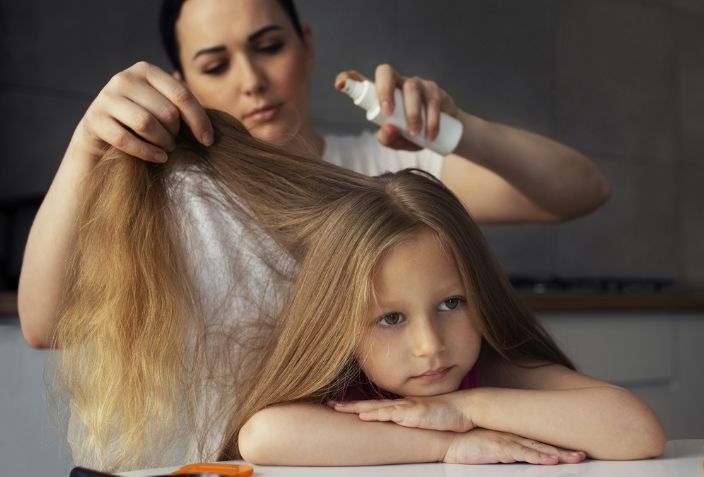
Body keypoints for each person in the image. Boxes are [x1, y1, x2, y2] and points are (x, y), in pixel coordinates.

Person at [55, 111, 662, 470]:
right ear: (340, 323)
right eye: (390, 319)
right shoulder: (346, 390)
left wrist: (467, 408)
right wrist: (449, 445)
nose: (432, 346)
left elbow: (636, 432)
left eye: (452, 303)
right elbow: (264, 436)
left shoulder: (492, 374)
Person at [18, 0, 610, 349]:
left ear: (306, 46)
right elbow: (45, 325)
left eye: (268, 45)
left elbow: (582, 191)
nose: (250, 80)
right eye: (216, 64)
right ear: (183, 82)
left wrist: (460, 128)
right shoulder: (176, 200)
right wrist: (84, 150)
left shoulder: (387, 167)